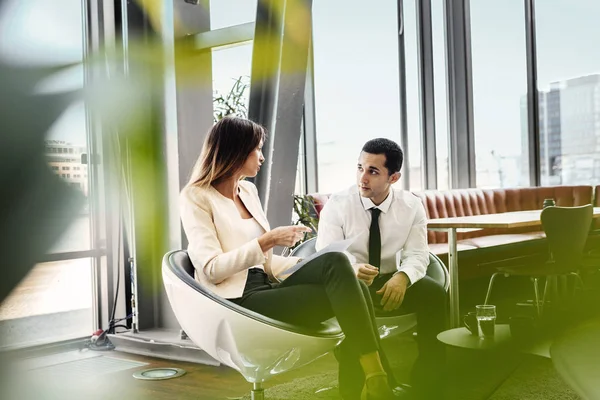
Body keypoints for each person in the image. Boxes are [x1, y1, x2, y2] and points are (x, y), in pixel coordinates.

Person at [180, 117, 396, 400]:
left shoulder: (247, 191)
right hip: (238, 301)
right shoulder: (196, 197)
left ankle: (369, 383)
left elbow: (267, 264)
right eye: (257, 149)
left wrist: (348, 269)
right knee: (348, 286)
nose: (262, 156)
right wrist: (268, 240)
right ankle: (377, 380)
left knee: (341, 267)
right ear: (236, 151)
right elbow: (211, 270)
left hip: (267, 287)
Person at [316, 138, 447, 399]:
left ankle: (428, 383)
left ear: (394, 177)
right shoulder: (339, 204)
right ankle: (353, 391)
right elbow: (326, 252)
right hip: (349, 282)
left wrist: (403, 277)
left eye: (373, 171)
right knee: (355, 305)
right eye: (360, 168)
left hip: (390, 278)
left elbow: (418, 254)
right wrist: (352, 268)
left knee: (436, 296)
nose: (362, 177)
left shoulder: (411, 206)